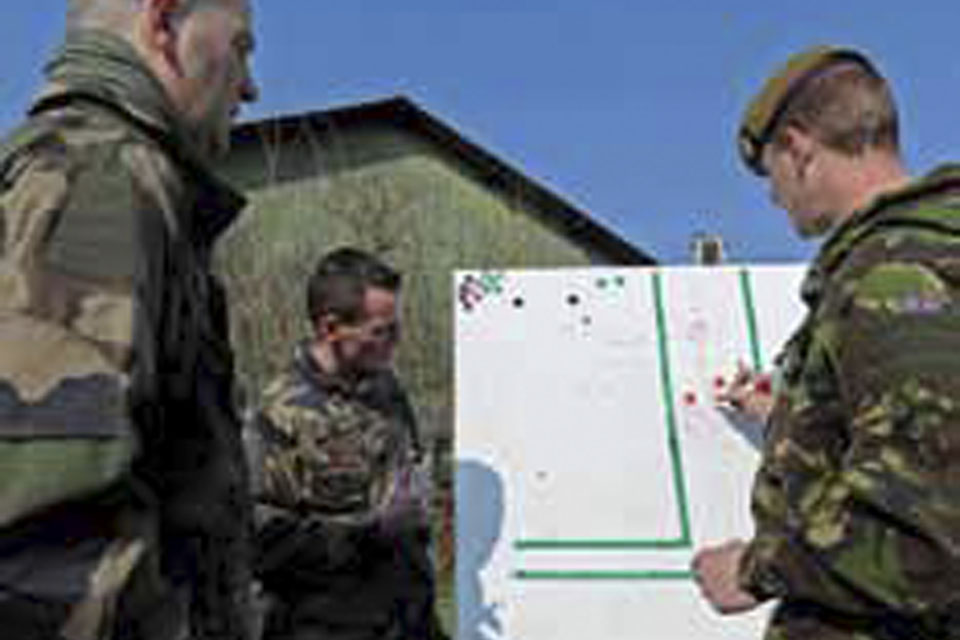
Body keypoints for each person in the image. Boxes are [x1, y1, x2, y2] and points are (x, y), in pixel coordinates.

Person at [0, 0, 258, 637]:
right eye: (242, 49)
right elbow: (44, 540)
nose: (250, 86)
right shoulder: (101, 178)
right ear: (164, 24)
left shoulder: (118, 177)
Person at [693, 46, 960, 639]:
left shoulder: (894, 279)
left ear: (798, 148)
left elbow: (921, 537)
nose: (773, 197)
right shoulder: (922, 261)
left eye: (772, 174)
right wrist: (792, 418)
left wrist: (755, 568)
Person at [247, 247, 446, 640]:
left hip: (406, 618)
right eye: (381, 331)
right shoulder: (279, 411)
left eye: (397, 328)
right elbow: (260, 541)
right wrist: (365, 536)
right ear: (330, 327)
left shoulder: (388, 392)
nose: (395, 343)